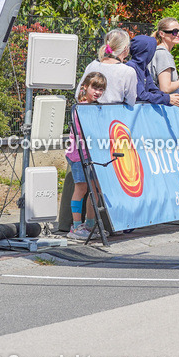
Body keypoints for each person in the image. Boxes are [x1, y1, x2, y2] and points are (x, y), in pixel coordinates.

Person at [66, 72, 106, 240]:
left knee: (95, 189)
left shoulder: (97, 107)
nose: (97, 92)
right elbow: (83, 132)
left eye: (101, 89)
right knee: (81, 188)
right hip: (78, 155)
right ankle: (75, 227)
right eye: (94, 88)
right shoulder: (80, 108)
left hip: (93, 154)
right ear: (85, 87)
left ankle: (89, 225)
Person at [128, 36, 179, 109]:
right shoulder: (131, 68)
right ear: (146, 51)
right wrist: (167, 99)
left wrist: (174, 100)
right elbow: (140, 95)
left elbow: (153, 90)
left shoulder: (144, 68)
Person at [79, 29, 137, 105]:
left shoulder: (92, 65)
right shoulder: (128, 71)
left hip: (89, 111)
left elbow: (79, 93)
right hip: (115, 114)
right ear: (126, 48)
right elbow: (131, 101)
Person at [149, 17, 179, 95]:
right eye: (174, 32)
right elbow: (165, 88)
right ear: (162, 34)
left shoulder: (160, 52)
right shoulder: (163, 54)